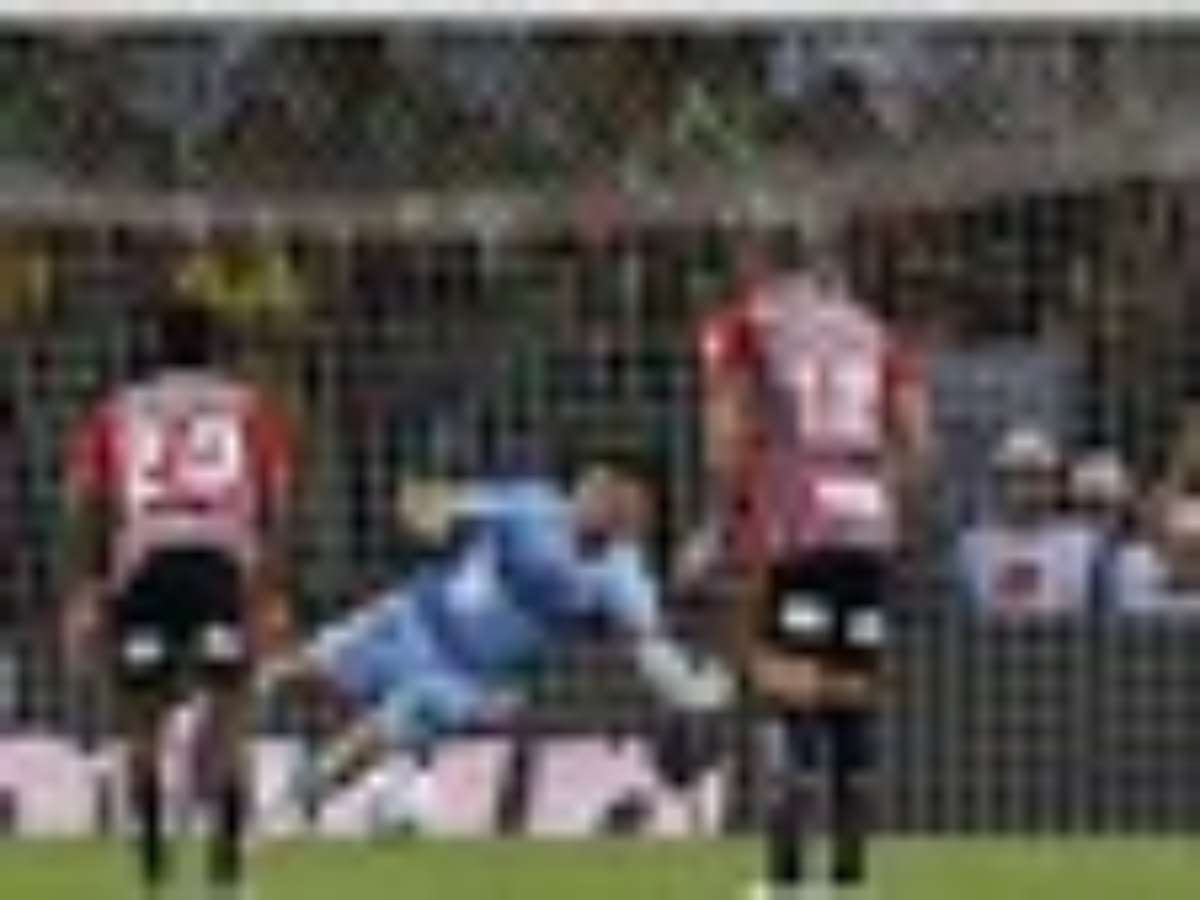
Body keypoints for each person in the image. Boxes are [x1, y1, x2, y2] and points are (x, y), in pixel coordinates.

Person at [255, 452, 732, 821]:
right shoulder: (531, 506)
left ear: (637, 515)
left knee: (388, 727)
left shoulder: (624, 579)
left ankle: (288, 807)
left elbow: (649, 649)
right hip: (416, 616)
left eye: (620, 500)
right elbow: (442, 504)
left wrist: (690, 690)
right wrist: (427, 510)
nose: (601, 503)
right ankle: (232, 727)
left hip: (469, 675)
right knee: (302, 671)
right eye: (597, 489)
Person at [699, 251, 930, 899]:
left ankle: (786, 881)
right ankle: (851, 881)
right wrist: (878, 499)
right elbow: (918, 441)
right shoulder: (877, 332)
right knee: (850, 698)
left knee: (788, 691)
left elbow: (727, 436)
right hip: (866, 525)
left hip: (793, 523)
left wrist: (729, 515)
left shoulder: (747, 325)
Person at [62, 300, 294, 900]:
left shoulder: (117, 410)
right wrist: (270, 594)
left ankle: (152, 869)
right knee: (233, 709)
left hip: (144, 569)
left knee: (141, 717)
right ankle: (227, 871)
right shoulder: (248, 408)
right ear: (216, 350)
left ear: (154, 349)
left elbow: (87, 503)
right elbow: (275, 505)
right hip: (219, 567)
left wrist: (87, 588)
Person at [955, 428, 1101, 619]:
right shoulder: (972, 548)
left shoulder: (1085, 546)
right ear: (999, 484)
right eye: (1017, 477)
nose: (1029, 489)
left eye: (1038, 477)